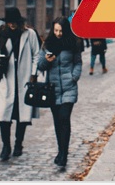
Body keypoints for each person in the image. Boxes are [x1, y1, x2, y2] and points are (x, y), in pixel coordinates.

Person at [0, 7, 41, 161]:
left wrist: (33, 74)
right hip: (6, 80)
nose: (11, 25)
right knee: (3, 116)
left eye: (14, 22)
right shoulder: (1, 35)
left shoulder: (30, 34)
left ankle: (19, 143)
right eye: (9, 22)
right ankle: (5, 146)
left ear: (19, 21)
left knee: (22, 116)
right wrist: (0, 60)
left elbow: (36, 54)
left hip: (24, 78)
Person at [37, 17, 82, 167]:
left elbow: (78, 62)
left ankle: (64, 154)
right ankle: (60, 150)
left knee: (64, 119)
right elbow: (40, 66)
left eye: (61, 30)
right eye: (56, 30)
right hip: (52, 90)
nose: (58, 33)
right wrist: (46, 61)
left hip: (69, 88)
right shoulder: (47, 44)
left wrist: (74, 77)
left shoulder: (72, 43)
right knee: (57, 122)